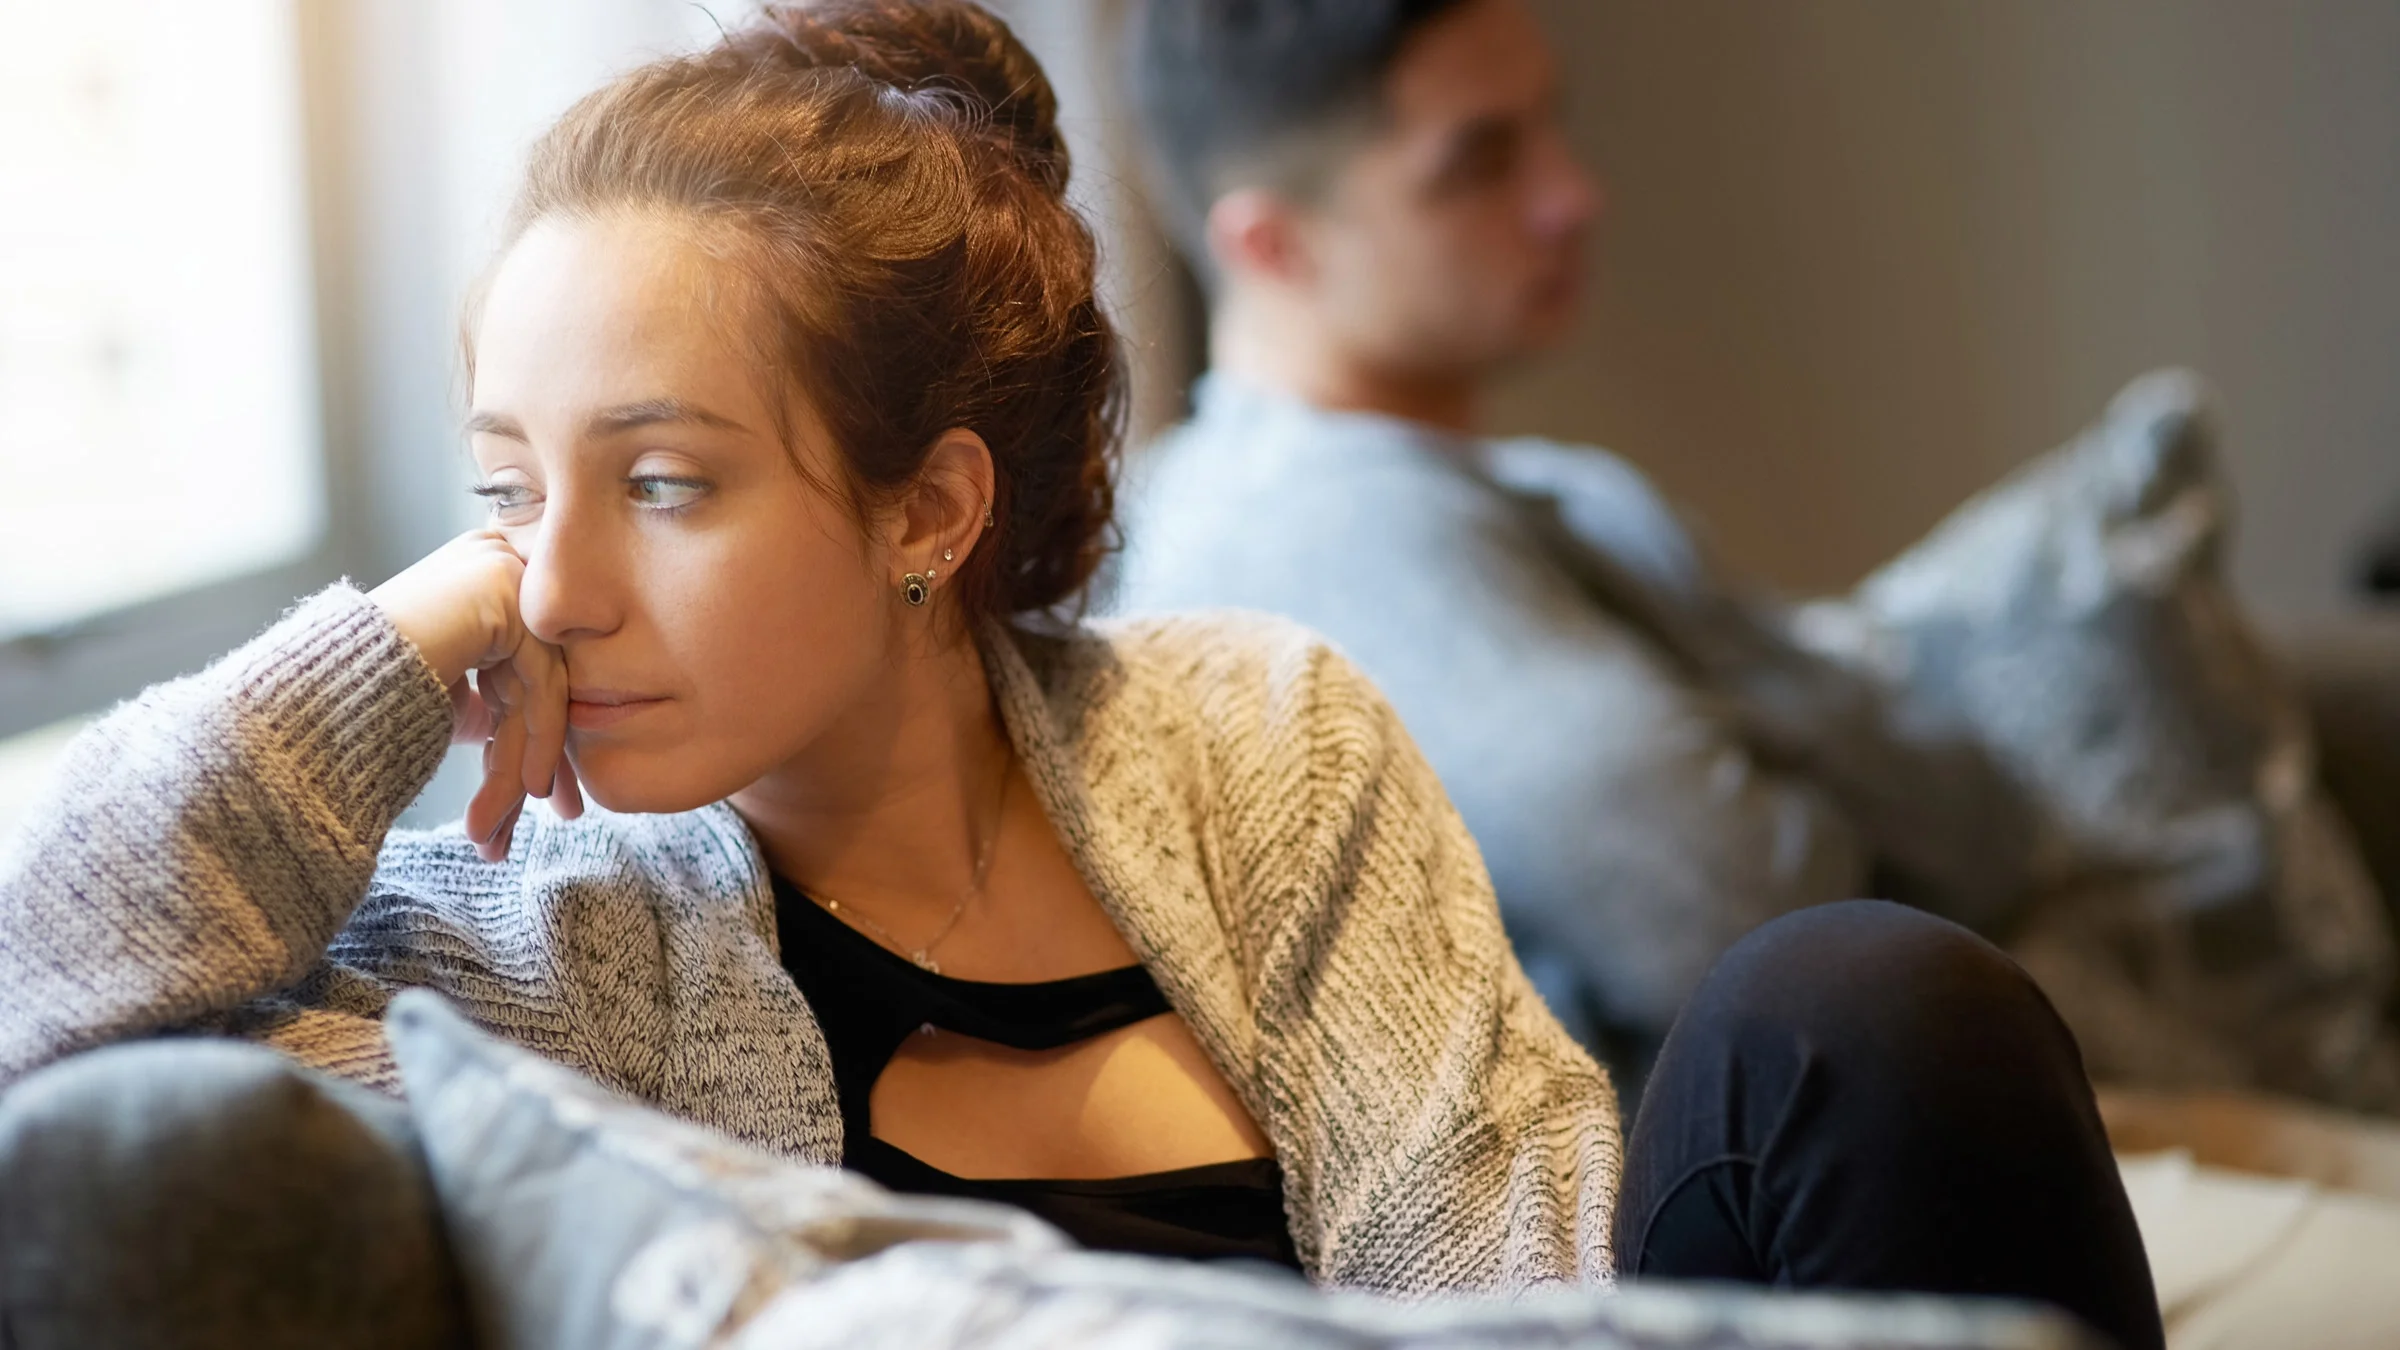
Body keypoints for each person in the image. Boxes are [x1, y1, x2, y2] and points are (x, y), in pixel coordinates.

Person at [0, 5, 2159, 1349]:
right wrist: (391, 639)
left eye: (658, 482)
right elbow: (37, 1000)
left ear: (925, 511)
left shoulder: (1253, 732)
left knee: (1862, 1011)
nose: (544, 585)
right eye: (499, 495)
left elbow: (1519, 1285)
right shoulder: (514, 918)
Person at [1114, 0, 2038, 1072]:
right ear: (1274, 246)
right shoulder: (1309, 530)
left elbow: (1984, 830)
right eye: (1480, 162)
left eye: (1550, 125)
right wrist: (1800, 720)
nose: (1573, 197)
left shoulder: (1561, 494)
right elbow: (1758, 928)